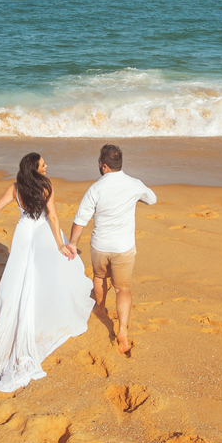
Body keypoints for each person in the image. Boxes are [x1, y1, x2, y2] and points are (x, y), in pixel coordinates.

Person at [0, 153, 94, 392]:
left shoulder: (16, 188)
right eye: (43, 164)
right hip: (40, 232)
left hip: (23, 232)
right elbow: (52, 216)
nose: (46, 165)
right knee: (45, 273)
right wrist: (60, 244)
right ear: (35, 169)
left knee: (20, 275)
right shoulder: (46, 186)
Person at [66, 144, 156, 355]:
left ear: (103, 165)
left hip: (100, 245)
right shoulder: (134, 184)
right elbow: (152, 199)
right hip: (123, 247)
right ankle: (122, 330)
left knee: (99, 277)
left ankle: (101, 308)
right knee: (122, 288)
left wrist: (72, 244)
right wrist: (136, 197)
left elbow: (80, 220)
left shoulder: (96, 188)